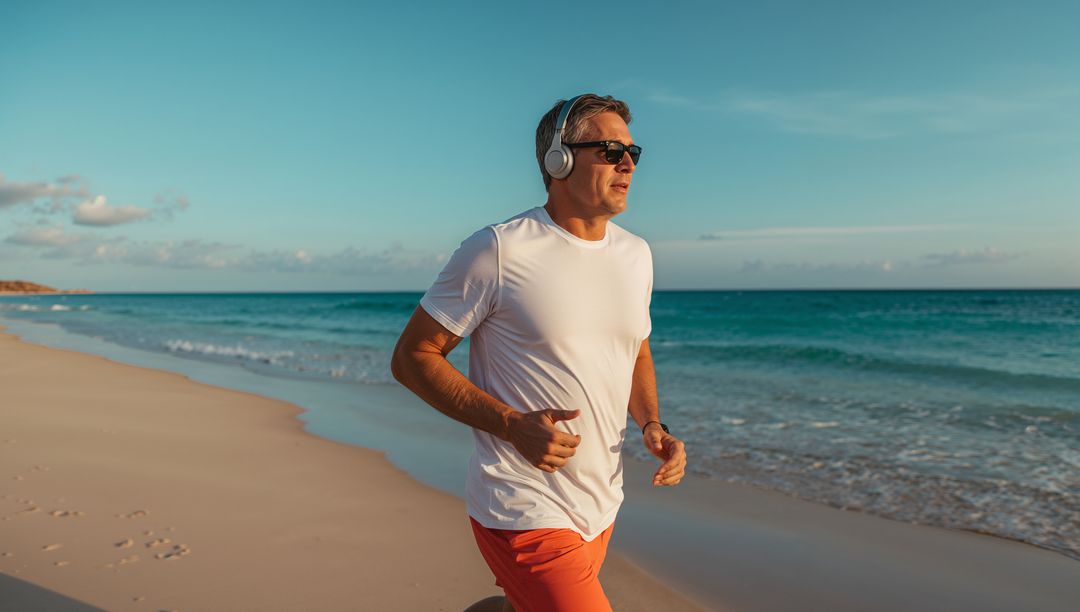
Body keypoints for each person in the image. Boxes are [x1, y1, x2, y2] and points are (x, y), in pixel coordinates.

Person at [390, 93, 687, 612]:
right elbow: (414, 356)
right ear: (559, 160)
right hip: (520, 504)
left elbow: (636, 351)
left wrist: (652, 426)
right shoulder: (499, 249)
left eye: (633, 152)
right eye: (610, 149)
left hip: (600, 501)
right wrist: (511, 424)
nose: (627, 163)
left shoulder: (636, 255)